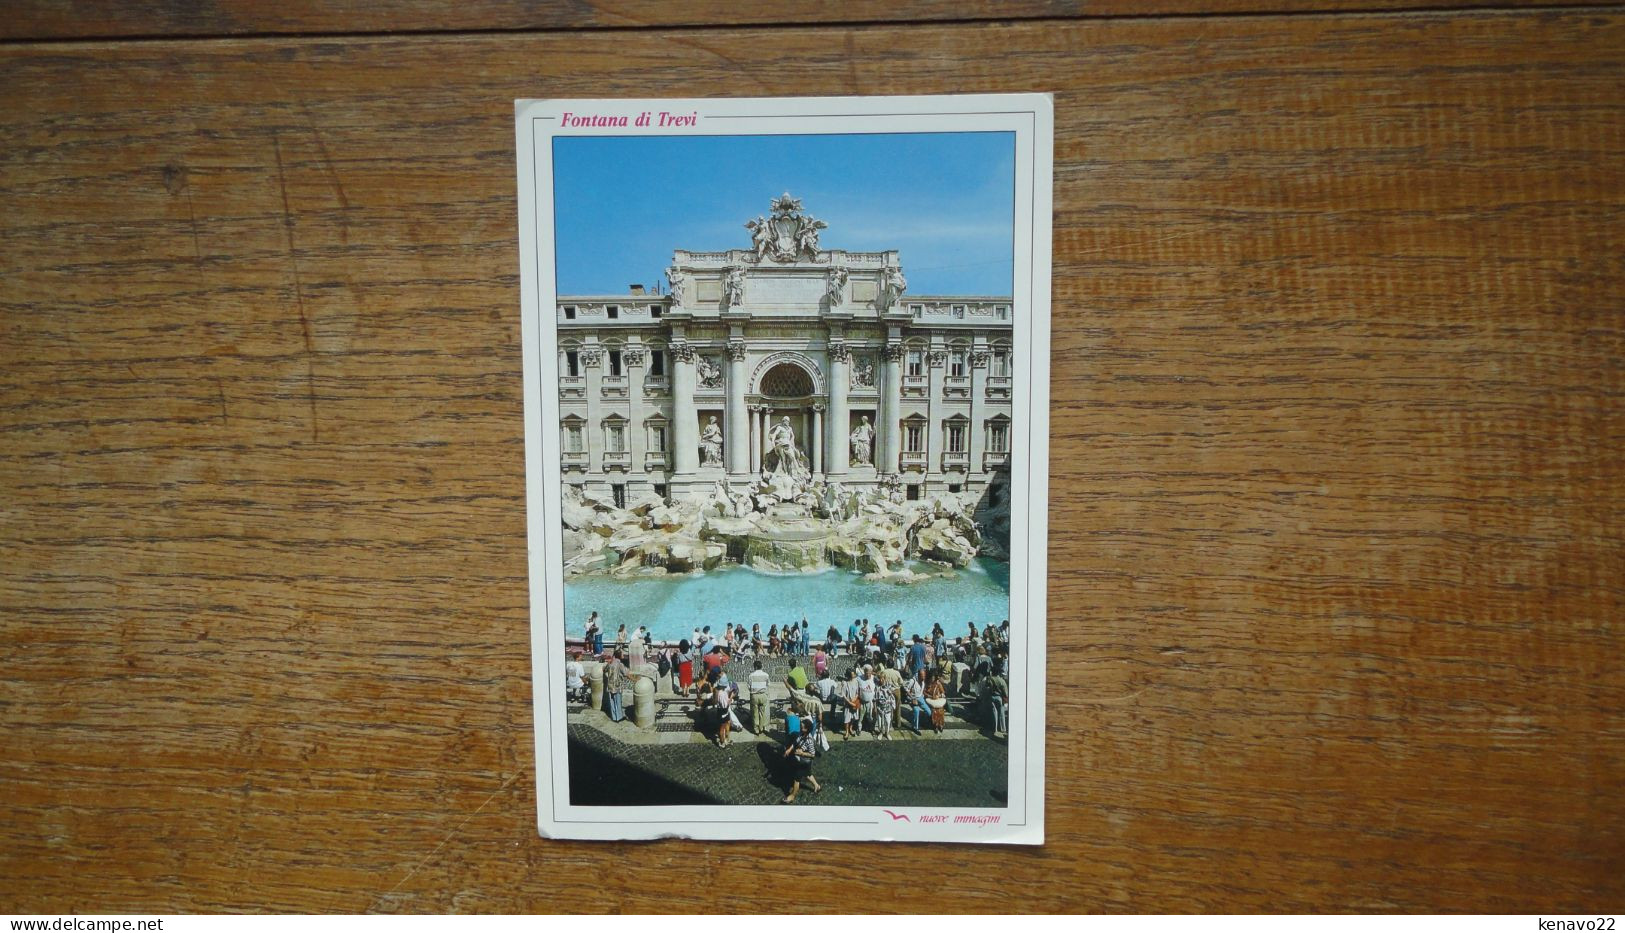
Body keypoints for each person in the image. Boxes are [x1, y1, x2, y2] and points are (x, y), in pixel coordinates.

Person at [780, 720, 822, 803]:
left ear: (806, 729)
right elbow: (795, 743)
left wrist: (802, 753)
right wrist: (789, 750)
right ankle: (817, 786)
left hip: (804, 762)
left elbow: (812, 754)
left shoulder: (809, 740)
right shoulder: (801, 734)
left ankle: (792, 796)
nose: (800, 727)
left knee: (797, 779)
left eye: (801, 727)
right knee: (807, 774)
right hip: (800, 760)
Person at [980, 662, 1010, 738]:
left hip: (991, 696)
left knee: (994, 712)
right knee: (1001, 712)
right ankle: (1003, 728)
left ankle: (995, 728)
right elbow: (1005, 692)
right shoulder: (1001, 680)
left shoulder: (989, 679)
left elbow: (987, 687)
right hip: (999, 697)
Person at [603, 650, 631, 723]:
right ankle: (619, 717)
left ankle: (614, 717)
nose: (623, 655)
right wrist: (634, 679)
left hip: (610, 684)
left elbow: (604, 670)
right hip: (617, 685)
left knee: (612, 700)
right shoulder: (620, 664)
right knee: (618, 701)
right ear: (619, 655)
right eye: (622, 654)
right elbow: (626, 674)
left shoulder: (610, 663)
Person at [904, 669, 931, 735]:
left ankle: (923, 720)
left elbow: (922, 690)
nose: (923, 678)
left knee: (929, 712)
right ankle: (915, 727)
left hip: (920, 697)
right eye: (922, 676)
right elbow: (906, 690)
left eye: (924, 676)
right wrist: (912, 698)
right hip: (913, 698)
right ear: (918, 675)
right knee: (916, 710)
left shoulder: (923, 681)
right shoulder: (912, 681)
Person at [748, 660, 771, 735]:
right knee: (762, 712)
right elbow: (768, 684)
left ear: (755, 667)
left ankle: (756, 729)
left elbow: (748, 686)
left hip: (754, 695)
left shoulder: (751, 675)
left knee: (755, 713)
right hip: (763, 694)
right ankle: (762, 727)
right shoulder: (766, 675)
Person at [873, 673, 896, 740]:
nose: (881, 680)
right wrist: (875, 707)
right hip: (879, 707)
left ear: (885, 679)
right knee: (880, 723)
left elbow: (893, 697)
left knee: (888, 722)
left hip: (887, 707)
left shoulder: (889, 686)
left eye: (883, 678)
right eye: (880, 678)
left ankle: (887, 733)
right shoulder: (877, 687)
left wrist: (893, 706)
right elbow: (875, 698)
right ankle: (881, 732)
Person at [924, 670, 948, 734]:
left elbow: (943, 692)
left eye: (933, 678)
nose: (932, 679)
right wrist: (929, 696)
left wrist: (938, 695)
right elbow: (924, 692)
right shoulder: (927, 683)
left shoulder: (938, 683)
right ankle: (935, 725)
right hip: (930, 699)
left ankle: (941, 724)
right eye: (931, 678)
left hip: (937, 699)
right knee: (934, 710)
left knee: (940, 710)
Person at [857, 664, 878, 734]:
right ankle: (859, 729)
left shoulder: (874, 678)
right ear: (864, 672)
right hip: (861, 701)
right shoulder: (859, 678)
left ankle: (871, 728)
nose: (868, 675)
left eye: (869, 673)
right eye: (866, 673)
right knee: (860, 717)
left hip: (870, 702)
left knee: (870, 717)